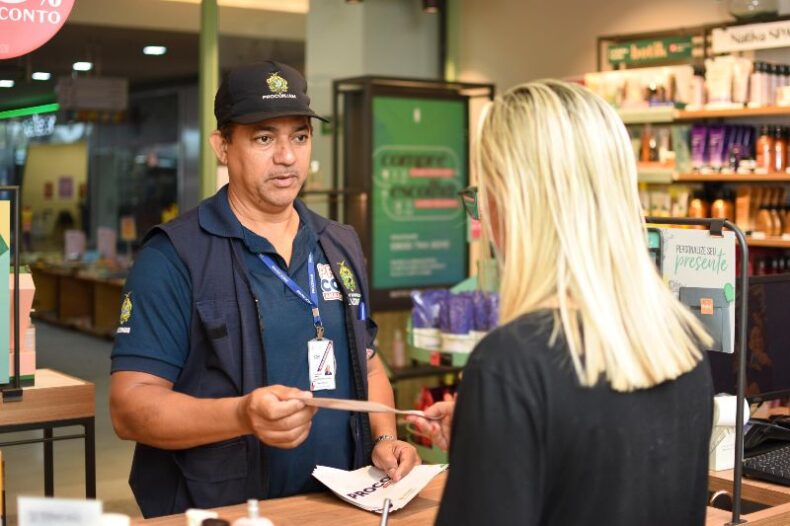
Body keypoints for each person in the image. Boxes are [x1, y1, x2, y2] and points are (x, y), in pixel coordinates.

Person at [109, 61, 419, 518]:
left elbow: (367, 366)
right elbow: (130, 406)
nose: (288, 156)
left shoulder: (339, 243)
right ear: (222, 146)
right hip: (224, 511)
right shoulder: (173, 257)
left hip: (338, 507)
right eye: (263, 137)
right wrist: (241, 416)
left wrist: (385, 437)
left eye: (299, 136)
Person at [409, 80, 714, 526]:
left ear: (516, 202)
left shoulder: (512, 362)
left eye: (484, 194)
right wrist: (494, 432)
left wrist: (501, 413)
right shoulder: (680, 338)